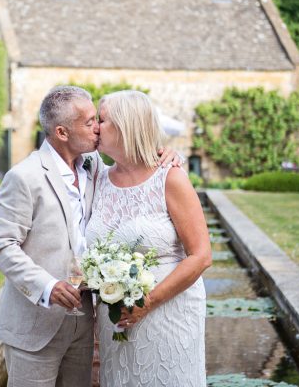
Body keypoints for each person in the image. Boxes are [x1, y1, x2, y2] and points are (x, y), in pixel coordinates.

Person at [0, 85, 179, 387]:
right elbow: (1, 246)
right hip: (34, 325)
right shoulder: (24, 177)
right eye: (90, 122)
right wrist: (48, 286)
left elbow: (132, 167)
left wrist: (166, 152)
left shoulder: (94, 167)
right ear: (62, 133)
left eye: (98, 120)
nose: (98, 129)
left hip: (82, 321)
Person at [85, 90, 212, 387]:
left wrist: (148, 302)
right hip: (115, 318)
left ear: (126, 126)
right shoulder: (97, 178)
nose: (94, 127)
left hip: (168, 313)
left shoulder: (170, 177)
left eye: (101, 120)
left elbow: (201, 255)